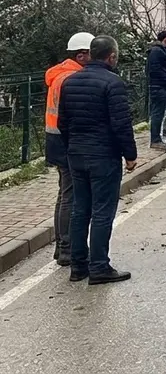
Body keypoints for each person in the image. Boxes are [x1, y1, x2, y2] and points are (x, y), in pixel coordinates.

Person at [58, 35, 137, 285]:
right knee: (102, 211)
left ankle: (78, 265)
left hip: (76, 154)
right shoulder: (113, 83)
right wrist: (130, 155)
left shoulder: (69, 82)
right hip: (103, 155)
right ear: (111, 57)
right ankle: (99, 266)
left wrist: (73, 145)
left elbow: (62, 122)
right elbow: (121, 124)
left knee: (80, 210)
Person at [43, 31, 94, 267]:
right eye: (92, 54)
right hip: (66, 140)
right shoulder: (72, 77)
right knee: (70, 196)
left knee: (64, 194)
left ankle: (61, 246)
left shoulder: (59, 73)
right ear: (81, 55)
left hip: (54, 139)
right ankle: (67, 248)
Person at [146, 30, 166, 149]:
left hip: (162, 86)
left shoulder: (164, 50)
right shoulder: (157, 51)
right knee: (157, 113)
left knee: (160, 113)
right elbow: (156, 70)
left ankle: (157, 138)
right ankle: (155, 139)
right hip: (159, 87)